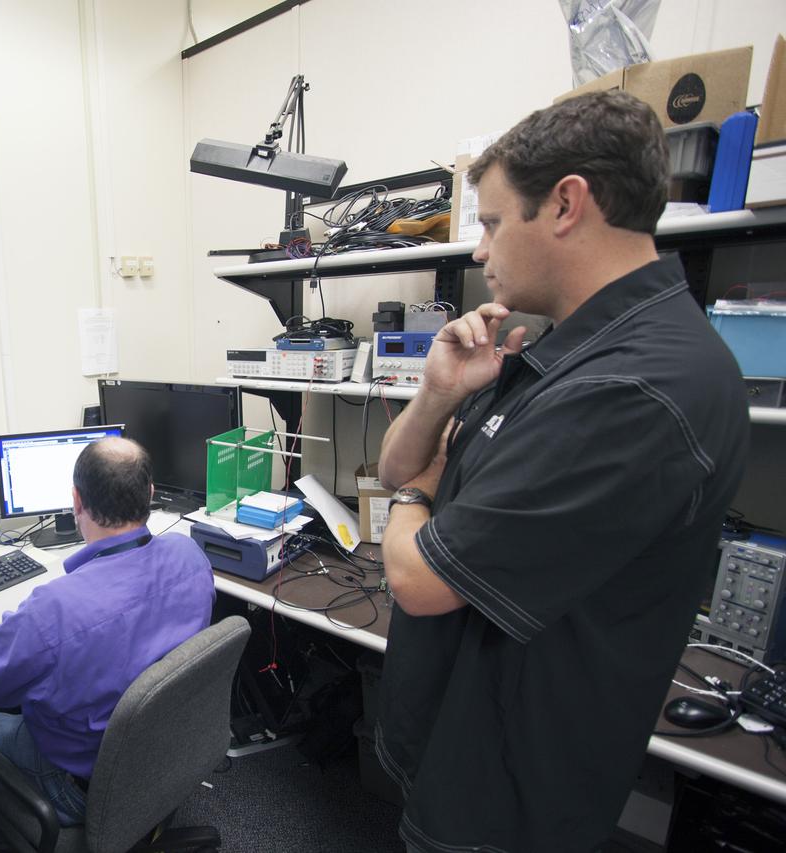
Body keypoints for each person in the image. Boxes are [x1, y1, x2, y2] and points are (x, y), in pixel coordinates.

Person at [374, 91, 749, 852]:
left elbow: (416, 571)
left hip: (509, 785)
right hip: (460, 728)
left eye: (490, 221)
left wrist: (417, 495)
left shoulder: (637, 388)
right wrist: (439, 395)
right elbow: (396, 467)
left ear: (567, 204)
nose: (479, 250)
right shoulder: (562, 350)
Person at [0, 437, 215, 847]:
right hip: (164, 753)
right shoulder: (190, 556)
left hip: (77, 779)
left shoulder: (56, 608)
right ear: (149, 493)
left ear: (76, 500)